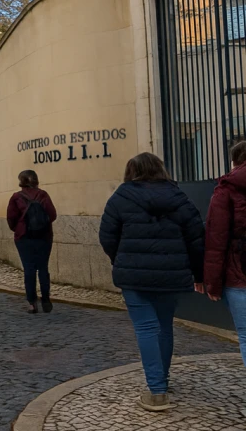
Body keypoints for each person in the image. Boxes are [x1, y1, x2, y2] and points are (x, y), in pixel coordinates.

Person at [99, 153, 205, 412]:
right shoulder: (179, 198)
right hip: (171, 275)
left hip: (134, 277)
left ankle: (157, 391)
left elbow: (107, 237)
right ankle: (162, 381)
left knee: (146, 328)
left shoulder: (120, 198)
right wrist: (198, 273)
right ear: (160, 169)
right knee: (164, 326)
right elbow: (196, 239)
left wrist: (121, 259)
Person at [204, 141, 246, 369]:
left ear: (234, 162)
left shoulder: (226, 190)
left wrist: (212, 283)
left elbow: (215, 241)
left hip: (238, 272)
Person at [6, 170, 57, 315]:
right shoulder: (43, 195)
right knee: (43, 268)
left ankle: (32, 303)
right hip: (44, 237)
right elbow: (52, 215)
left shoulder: (16, 197)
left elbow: (11, 218)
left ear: (21, 181)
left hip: (24, 237)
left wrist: (20, 228)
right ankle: (46, 299)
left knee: (28, 269)